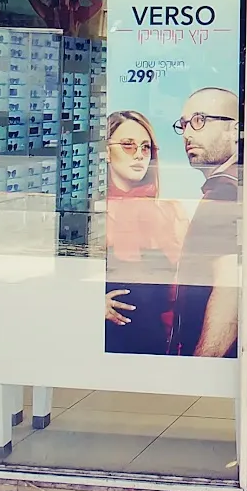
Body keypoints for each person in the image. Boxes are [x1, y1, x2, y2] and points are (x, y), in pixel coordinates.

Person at [103, 110, 187, 355]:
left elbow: (188, 288)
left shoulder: (171, 212)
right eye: (128, 145)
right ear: (106, 151)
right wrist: (87, 302)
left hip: (159, 345)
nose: (139, 154)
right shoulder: (90, 211)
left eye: (145, 147)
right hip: (103, 342)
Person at [170, 87, 241, 358]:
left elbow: (230, 290)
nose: (188, 133)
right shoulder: (228, 186)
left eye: (199, 120)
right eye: (184, 124)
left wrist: (201, 365)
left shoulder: (226, 192)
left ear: (234, 130)